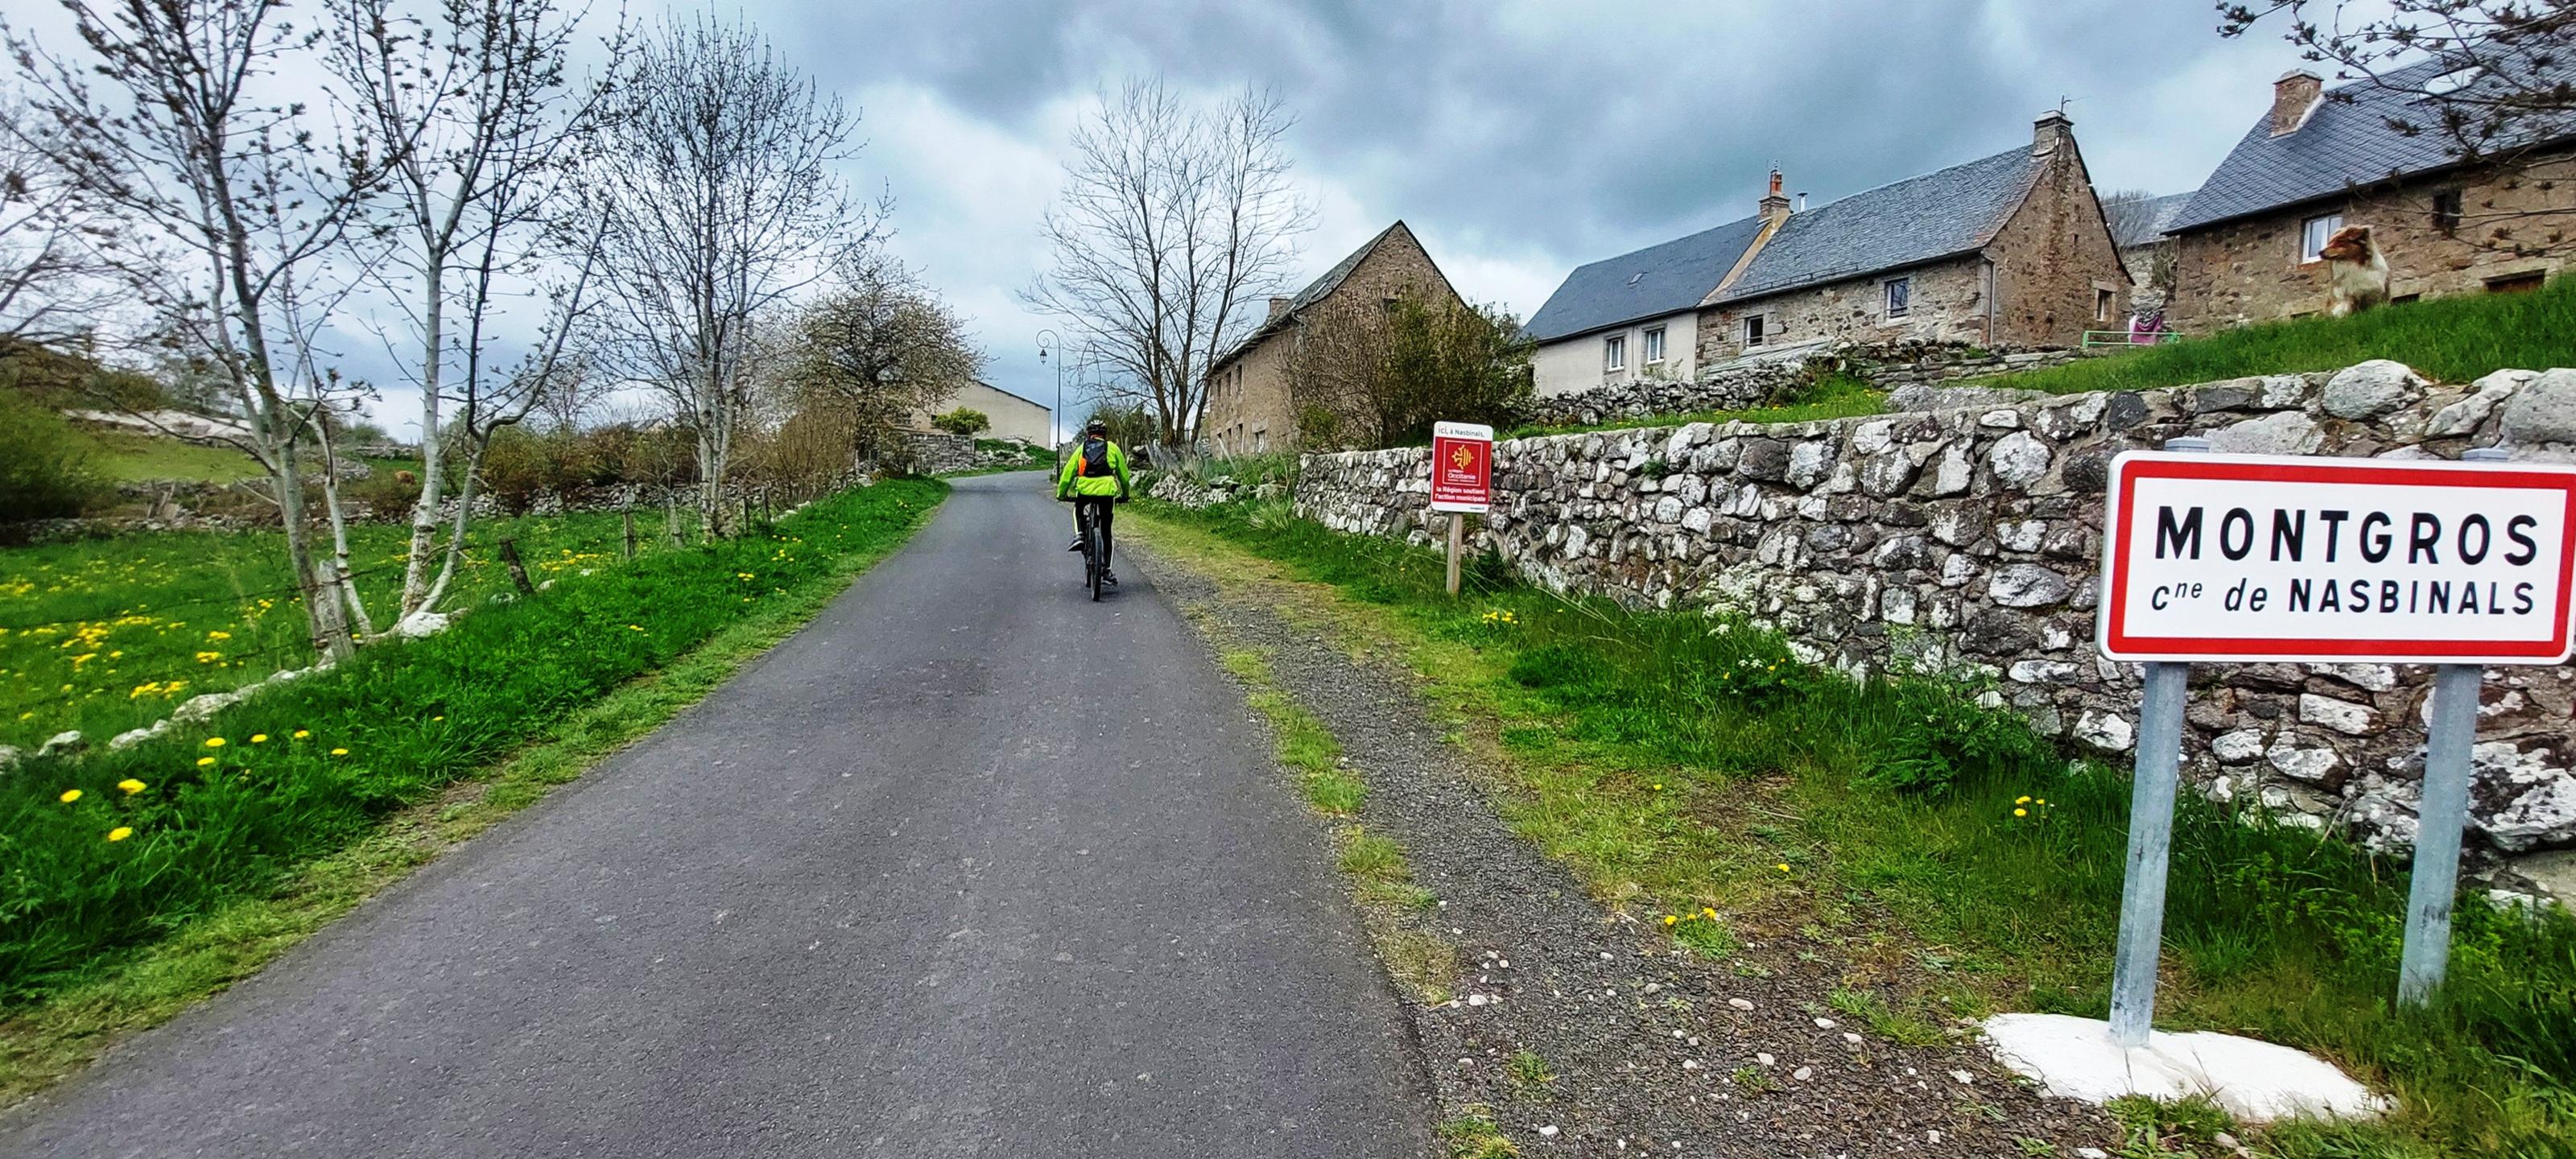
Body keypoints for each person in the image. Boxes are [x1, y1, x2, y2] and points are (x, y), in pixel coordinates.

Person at [1056, 419, 1131, 585]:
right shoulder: (1112, 448)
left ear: (1089, 434)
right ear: (1104, 434)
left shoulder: (1082, 448)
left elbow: (1067, 474)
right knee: (1106, 532)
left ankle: (1080, 535)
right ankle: (1107, 570)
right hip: (1107, 492)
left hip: (1085, 491)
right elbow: (1124, 477)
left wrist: (1061, 494)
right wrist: (1125, 495)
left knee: (1078, 509)